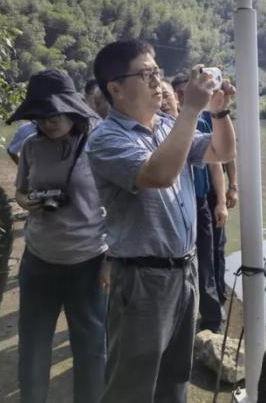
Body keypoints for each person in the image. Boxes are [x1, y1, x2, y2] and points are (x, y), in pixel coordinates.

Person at [86, 40, 236, 403]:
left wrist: (217, 112)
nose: (156, 80)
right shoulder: (106, 138)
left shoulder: (168, 124)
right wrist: (191, 110)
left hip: (184, 271)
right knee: (132, 385)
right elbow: (160, 173)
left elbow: (222, 151)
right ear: (116, 88)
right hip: (142, 279)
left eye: (157, 71)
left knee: (174, 379)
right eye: (145, 73)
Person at [8, 69, 107, 403]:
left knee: (91, 347)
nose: (47, 122)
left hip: (89, 262)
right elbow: (20, 191)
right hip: (39, 261)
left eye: (53, 114)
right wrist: (28, 203)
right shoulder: (32, 146)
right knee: (33, 345)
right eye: (39, 116)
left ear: (72, 109)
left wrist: (113, 259)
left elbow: (122, 204)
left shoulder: (99, 143)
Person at [165, 76, 227, 332]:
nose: (175, 99)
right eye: (174, 94)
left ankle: (212, 321)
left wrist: (222, 200)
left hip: (200, 201)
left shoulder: (199, 122)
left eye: (174, 96)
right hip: (171, 205)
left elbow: (218, 163)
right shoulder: (156, 128)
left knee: (207, 261)